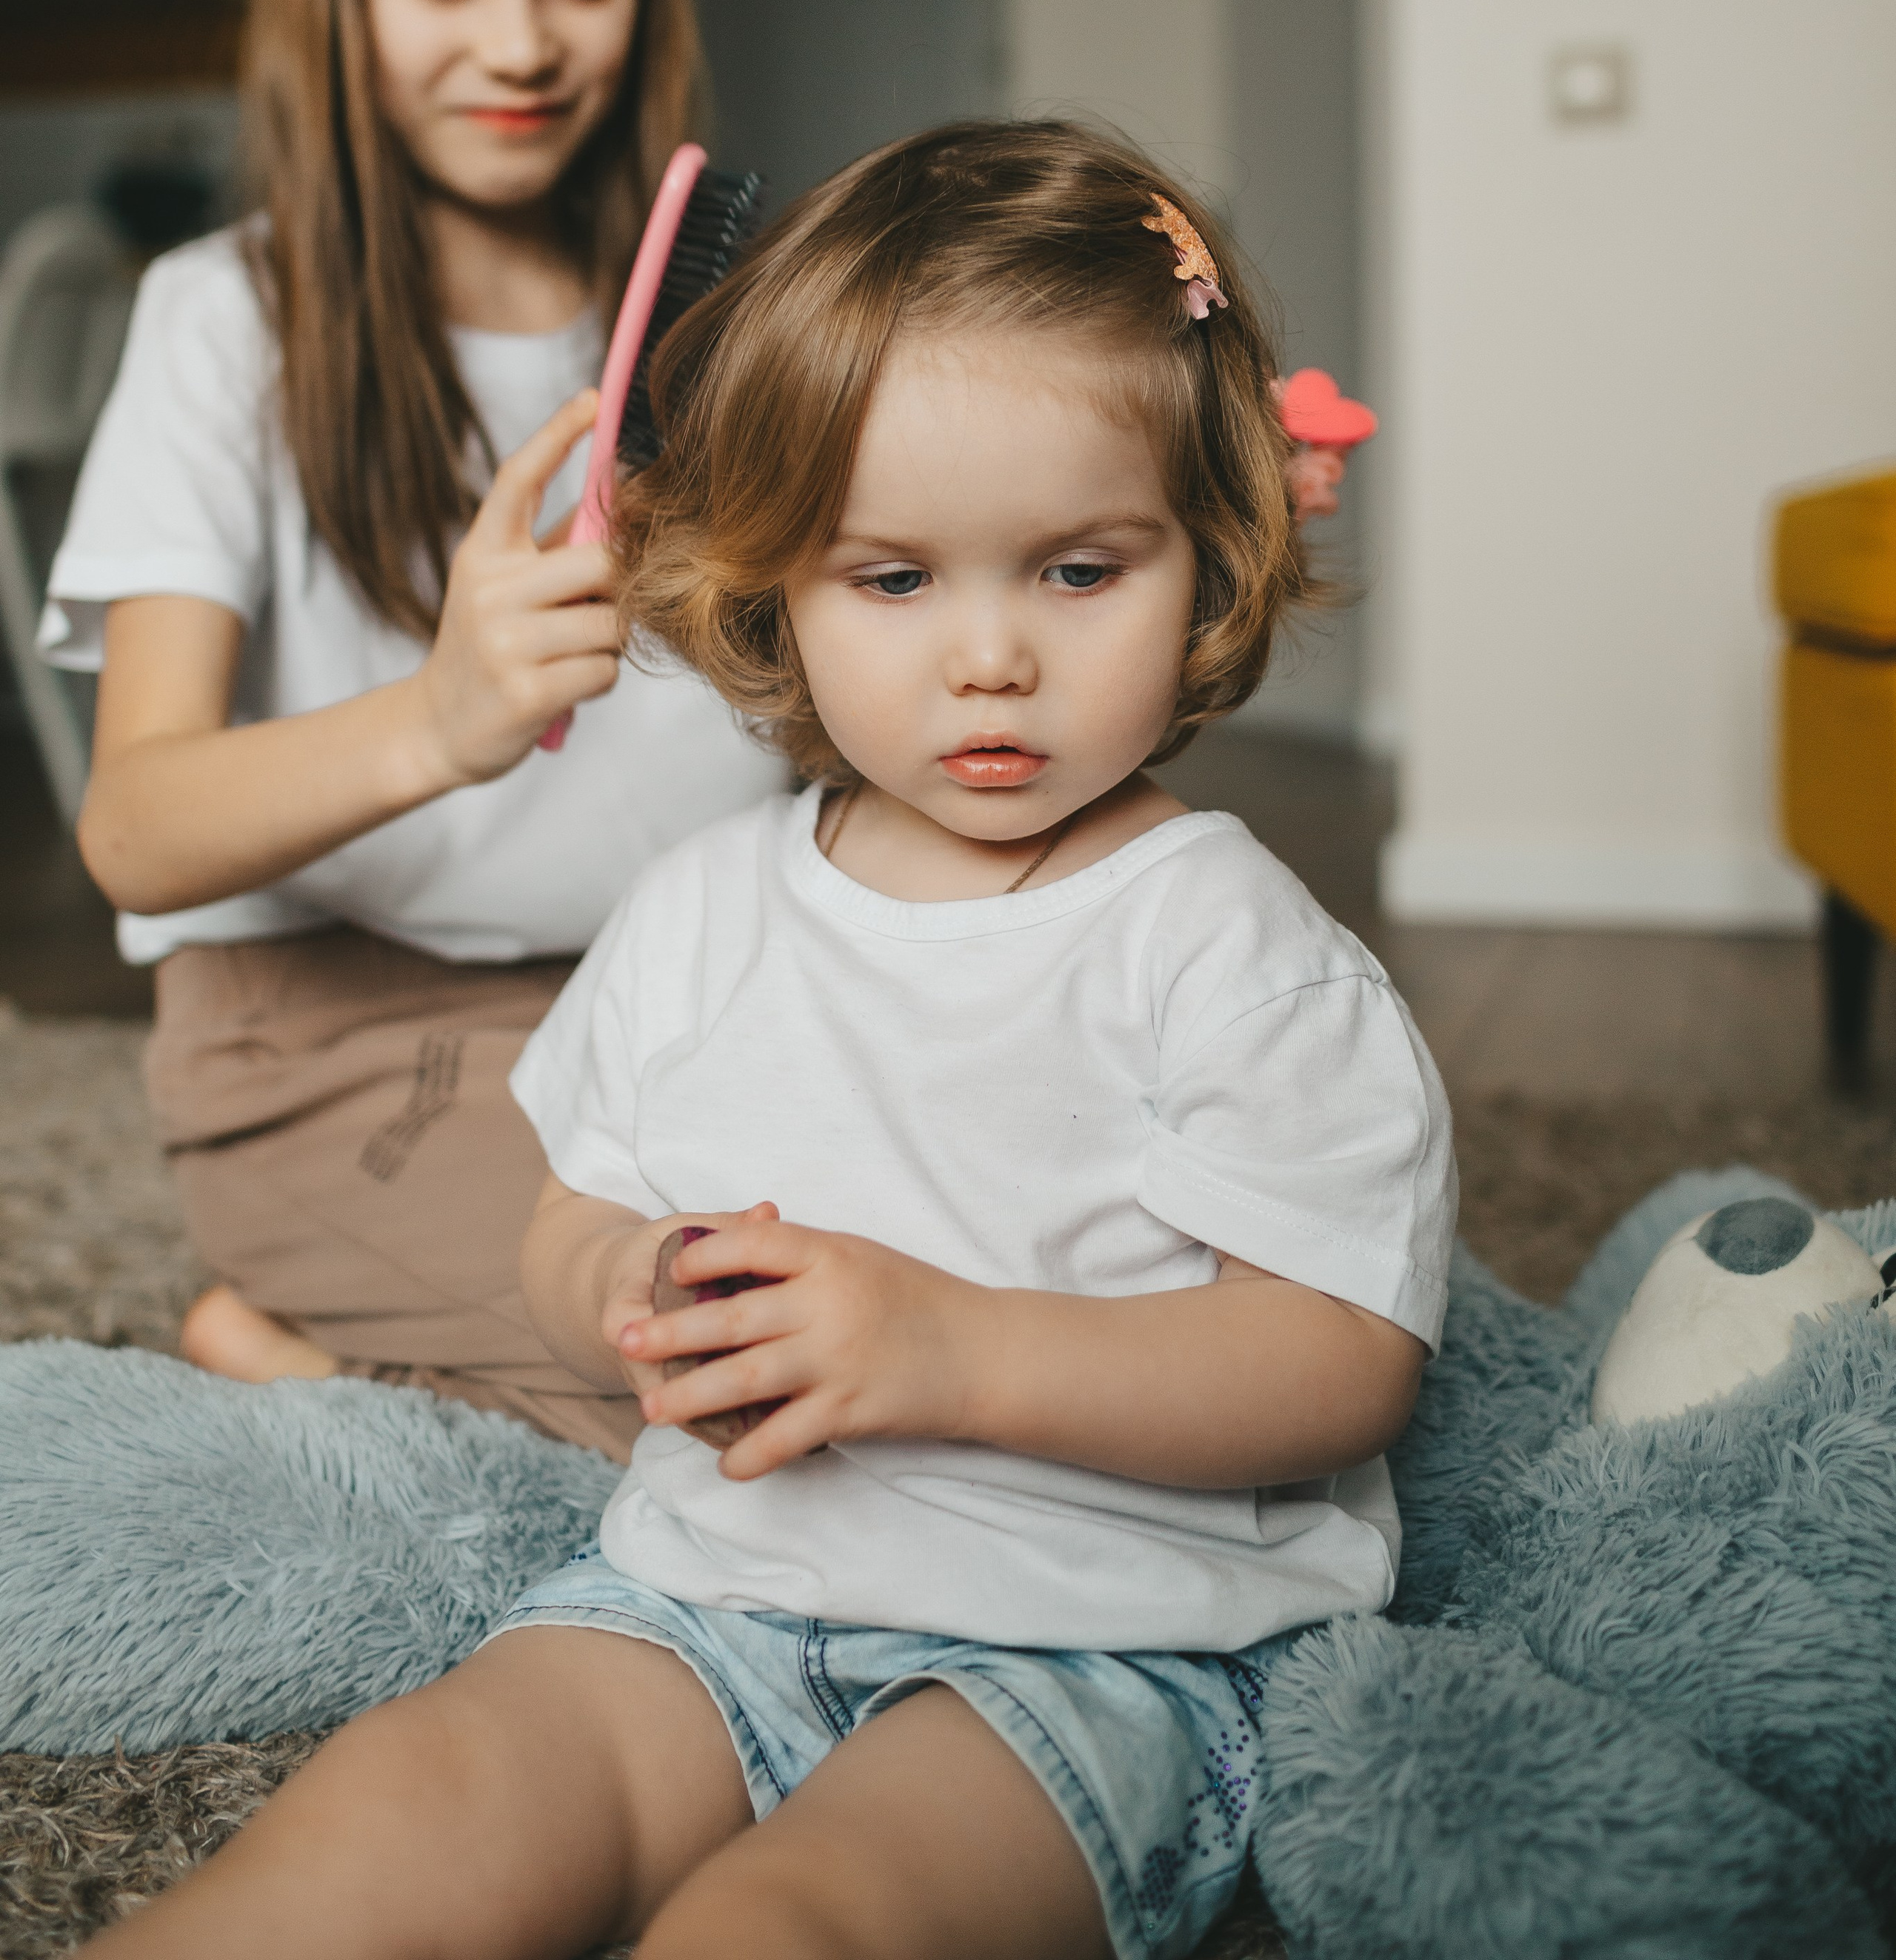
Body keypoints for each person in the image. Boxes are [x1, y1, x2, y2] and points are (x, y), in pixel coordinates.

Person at [93, 121, 1455, 1960]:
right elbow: (570, 1228)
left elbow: (1337, 1359)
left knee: (799, 1919)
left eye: (1074, 572)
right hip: (703, 1602)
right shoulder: (701, 909)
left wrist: (949, 1349)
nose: (986, 657)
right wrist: (637, 1287)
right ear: (774, 591)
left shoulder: (1229, 950)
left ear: (1207, 560)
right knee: (410, 1803)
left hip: (1083, 1654)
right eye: (891, 580)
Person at [43, 0, 784, 1459]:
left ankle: (368, 1359)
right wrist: (435, 719)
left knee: (980, 1294)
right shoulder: (226, 324)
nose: (521, 45)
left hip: (686, 1014)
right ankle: (304, 1349)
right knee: (765, 1402)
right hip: (345, 1061)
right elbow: (134, 823)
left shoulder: (728, 323)